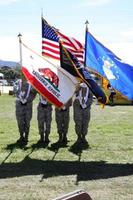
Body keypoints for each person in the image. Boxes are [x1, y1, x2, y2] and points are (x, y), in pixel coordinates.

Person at [15, 74, 37, 145]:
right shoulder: (17, 83)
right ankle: (21, 136)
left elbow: (34, 93)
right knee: (20, 121)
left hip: (28, 105)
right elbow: (14, 91)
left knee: (27, 121)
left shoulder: (31, 84)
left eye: (25, 75)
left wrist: (27, 100)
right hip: (19, 106)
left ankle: (26, 137)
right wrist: (19, 96)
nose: (24, 76)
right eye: (22, 75)